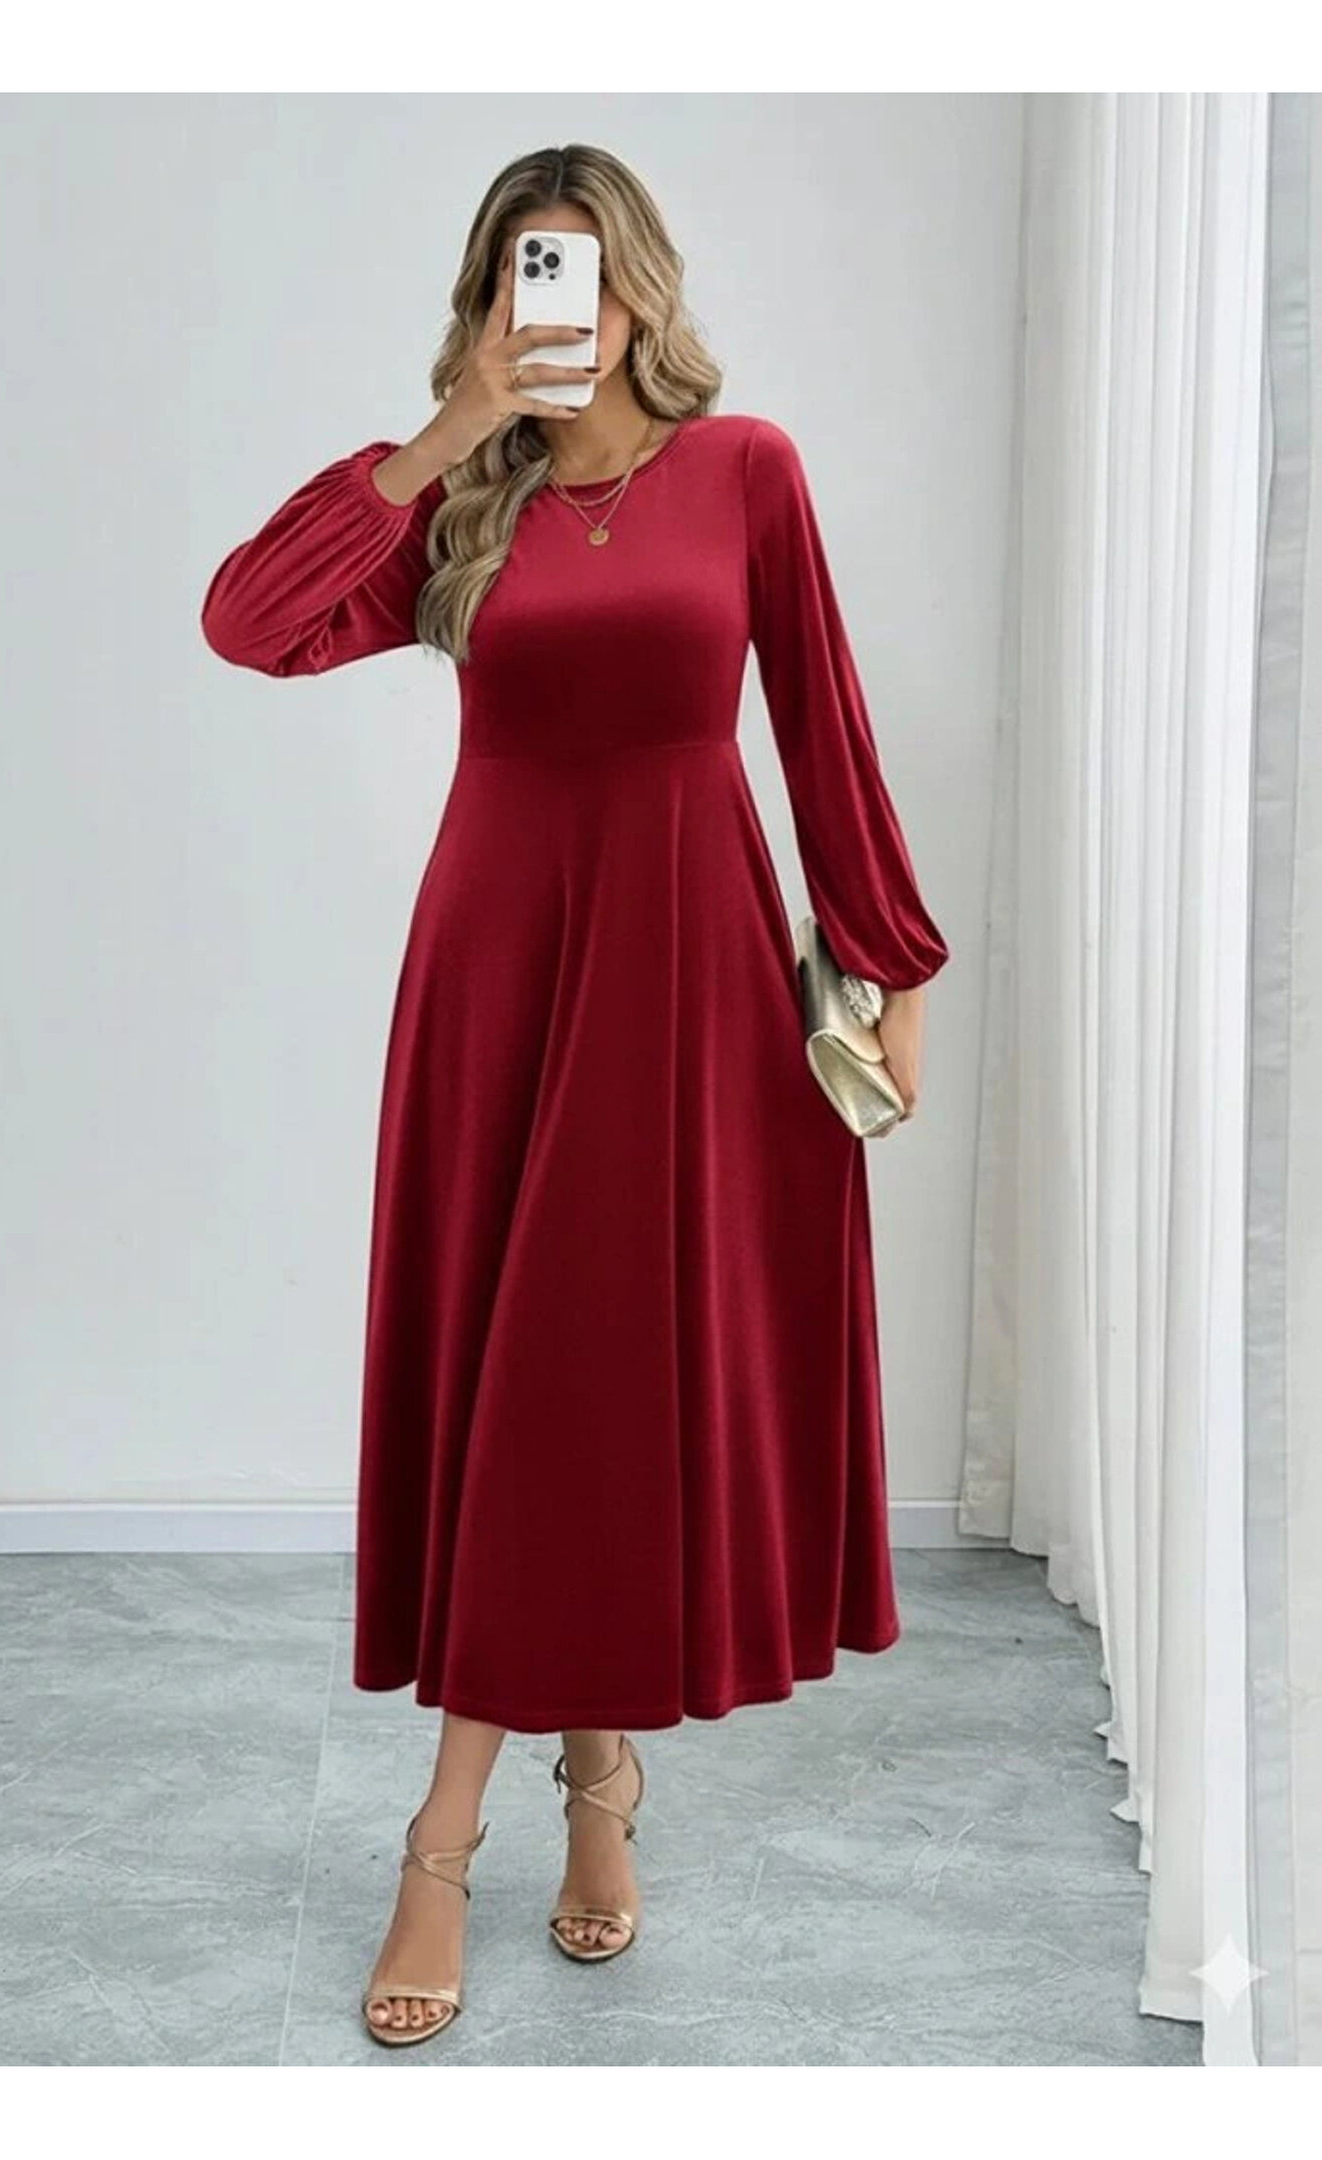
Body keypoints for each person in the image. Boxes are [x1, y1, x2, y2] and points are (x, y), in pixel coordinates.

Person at [200, 141, 950, 2050]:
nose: (569, 311)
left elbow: (824, 721)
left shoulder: (746, 469)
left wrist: (890, 960)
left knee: (608, 1375)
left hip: (695, 968)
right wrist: (445, 434)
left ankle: (558, 1795)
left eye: (591, 272)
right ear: (485, 304)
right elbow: (248, 621)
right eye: (525, 277)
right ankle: (492, 1817)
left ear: (643, 289)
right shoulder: (459, 499)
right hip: (504, 972)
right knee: (523, 1375)